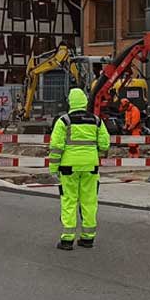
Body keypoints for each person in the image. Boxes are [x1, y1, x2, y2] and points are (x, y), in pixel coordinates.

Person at [48, 88, 110, 250]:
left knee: (69, 201)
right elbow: (105, 144)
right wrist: (94, 152)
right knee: (89, 201)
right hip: (91, 166)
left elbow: (56, 147)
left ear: (70, 102)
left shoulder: (64, 121)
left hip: (69, 167)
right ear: (85, 102)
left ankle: (67, 239)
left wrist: (54, 168)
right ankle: (87, 238)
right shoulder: (96, 121)